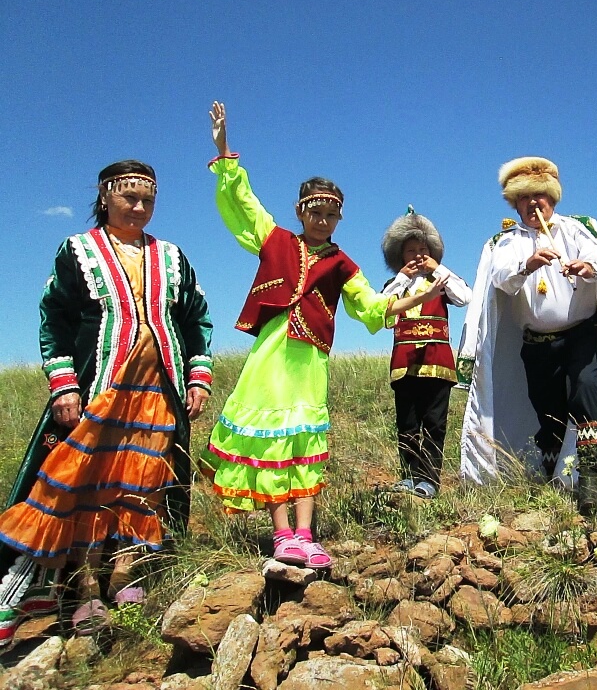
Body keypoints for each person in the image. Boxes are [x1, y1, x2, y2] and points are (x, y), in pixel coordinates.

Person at [201, 102, 445, 568]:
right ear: (300, 210)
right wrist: (224, 151)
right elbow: (243, 203)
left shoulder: (342, 262)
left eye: (332, 213)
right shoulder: (274, 240)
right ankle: (282, 535)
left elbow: (370, 305)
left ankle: (308, 534)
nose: (323, 219)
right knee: (275, 433)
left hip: (311, 359)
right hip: (272, 355)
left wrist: (411, 301)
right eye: (316, 210)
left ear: (339, 217)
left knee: (306, 439)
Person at [0, 161, 213, 642]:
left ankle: (126, 576)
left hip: (158, 387)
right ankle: (83, 588)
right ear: (105, 196)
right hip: (99, 385)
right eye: (130, 198)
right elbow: (53, 316)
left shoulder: (172, 256)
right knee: (86, 480)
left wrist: (197, 377)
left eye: (148, 201)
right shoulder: (78, 251)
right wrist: (63, 383)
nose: (139, 208)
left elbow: (196, 317)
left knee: (143, 478)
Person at [457, 157, 597, 516]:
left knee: (587, 390)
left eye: (540, 197)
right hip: (536, 343)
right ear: (515, 204)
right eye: (525, 198)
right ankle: (553, 474)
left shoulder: (576, 228)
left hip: (581, 334)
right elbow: (501, 277)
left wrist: (586, 267)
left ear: (553, 199)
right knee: (547, 411)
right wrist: (528, 263)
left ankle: (591, 478)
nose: (534, 204)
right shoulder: (508, 240)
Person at [381, 207, 472, 498]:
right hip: (404, 365)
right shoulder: (394, 286)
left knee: (435, 423)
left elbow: (465, 297)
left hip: (438, 363)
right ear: (400, 255)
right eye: (411, 251)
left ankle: (430, 479)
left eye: (423, 250)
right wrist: (402, 278)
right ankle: (409, 475)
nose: (417, 256)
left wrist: (437, 270)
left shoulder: (441, 284)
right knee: (407, 423)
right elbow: (381, 310)